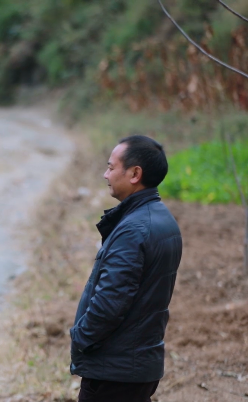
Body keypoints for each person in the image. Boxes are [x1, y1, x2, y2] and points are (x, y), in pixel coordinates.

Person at [70, 135, 183, 402]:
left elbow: (111, 301)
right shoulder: (163, 218)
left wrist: (81, 337)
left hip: (115, 370)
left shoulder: (134, 229)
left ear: (135, 173)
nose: (105, 174)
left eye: (111, 167)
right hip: (139, 363)